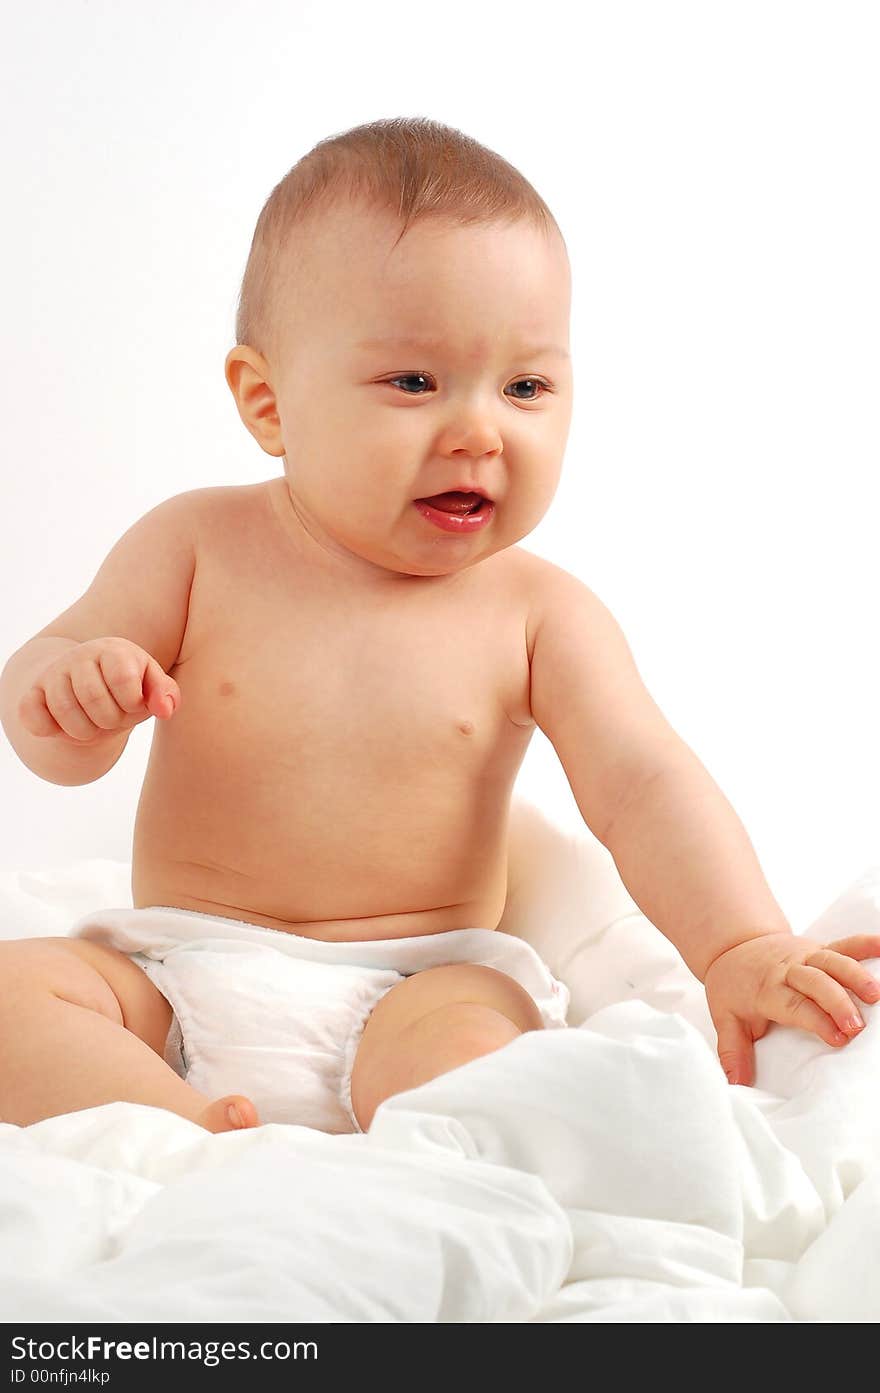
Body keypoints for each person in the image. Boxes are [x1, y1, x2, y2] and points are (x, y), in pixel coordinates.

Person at [1, 117, 878, 1137]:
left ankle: (405, 1153)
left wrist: (737, 946)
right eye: (414, 381)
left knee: (477, 1060)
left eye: (526, 387)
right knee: (15, 994)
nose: (478, 430)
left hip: (417, 980)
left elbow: (643, 783)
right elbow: (51, 741)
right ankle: (186, 1138)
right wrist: (73, 690)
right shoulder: (194, 546)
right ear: (268, 400)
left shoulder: (538, 612)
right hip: (174, 968)